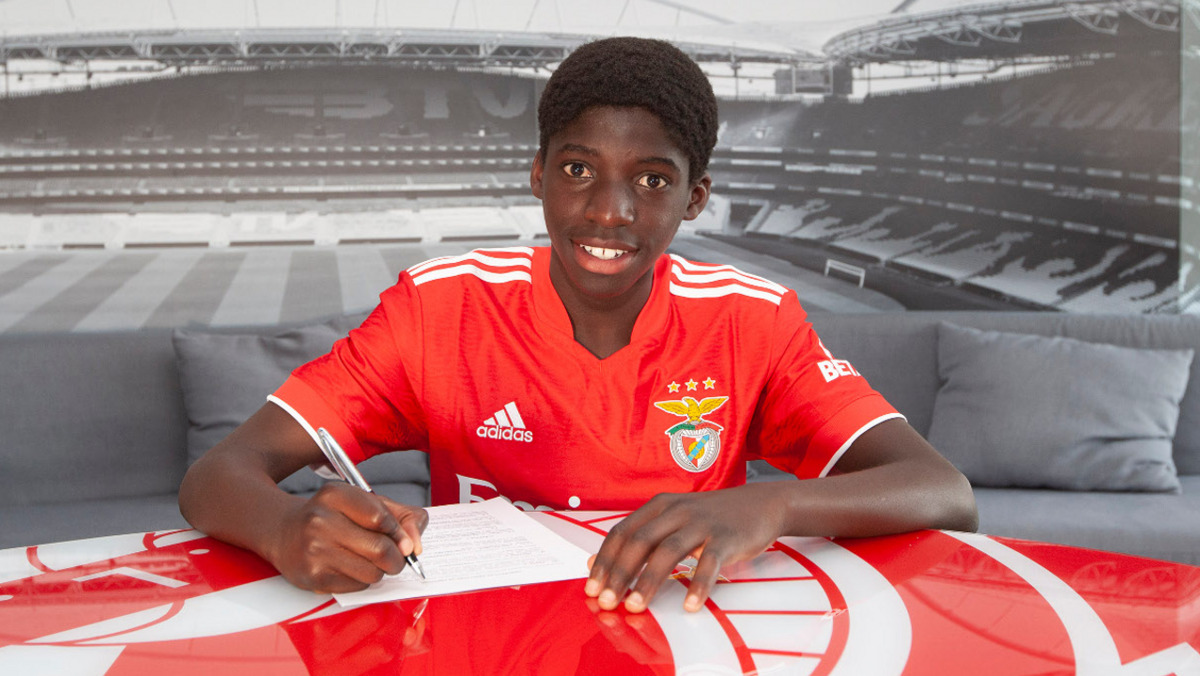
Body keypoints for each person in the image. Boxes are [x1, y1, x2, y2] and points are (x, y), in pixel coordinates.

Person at [179, 37, 977, 616]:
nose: (609, 209)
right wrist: (285, 527)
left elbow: (942, 491)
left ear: (695, 198)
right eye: (577, 169)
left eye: (652, 180)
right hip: (488, 638)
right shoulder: (439, 309)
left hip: (682, 639)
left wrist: (770, 507)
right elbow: (217, 474)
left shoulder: (751, 320)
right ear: (538, 174)